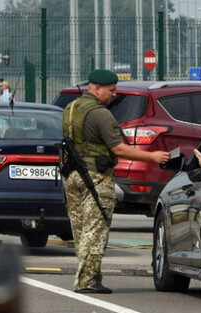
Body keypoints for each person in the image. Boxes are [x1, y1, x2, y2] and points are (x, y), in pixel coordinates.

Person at [62, 69, 170, 294]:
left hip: (72, 175)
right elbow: (118, 148)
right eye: (111, 90)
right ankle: (87, 281)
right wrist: (153, 156)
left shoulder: (71, 108)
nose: (113, 94)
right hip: (95, 177)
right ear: (97, 89)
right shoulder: (101, 113)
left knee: (80, 229)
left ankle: (88, 276)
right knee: (96, 227)